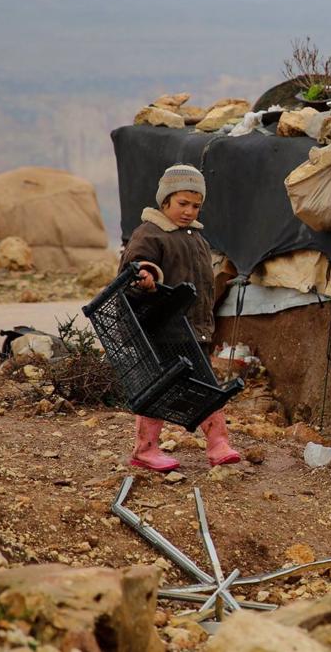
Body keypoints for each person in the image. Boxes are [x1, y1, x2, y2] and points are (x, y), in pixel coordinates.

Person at [119, 164, 241, 471]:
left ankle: (218, 444)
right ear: (165, 202)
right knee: (160, 387)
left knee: (206, 385)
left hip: (194, 327)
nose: (189, 211)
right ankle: (145, 449)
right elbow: (136, 265)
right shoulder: (150, 233)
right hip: (162, 327)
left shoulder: (195, 238)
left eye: (196, 205)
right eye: (182, 204)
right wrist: (145, 275)